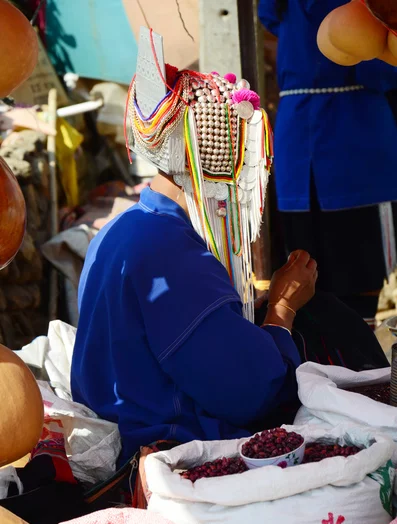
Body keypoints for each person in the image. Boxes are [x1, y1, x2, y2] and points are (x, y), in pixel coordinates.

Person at [71, 29, 388, 483]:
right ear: (219, 171)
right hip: (171, 449)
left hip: (135, 435)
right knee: (328, 327)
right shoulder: (167, 250)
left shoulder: (121, 227)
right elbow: (248, 391)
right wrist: (281, 309)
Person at [258, 0, 397, 328]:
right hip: (353, 138)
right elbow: (376, 68)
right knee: (360, 279)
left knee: (304, 273)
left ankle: (315, 357)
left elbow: (269, 18)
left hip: (298, 137)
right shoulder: (359, 7)